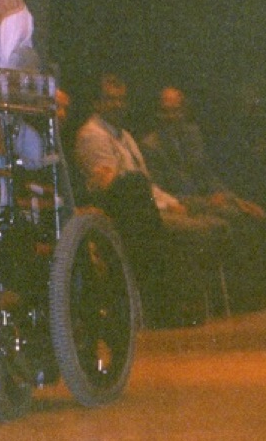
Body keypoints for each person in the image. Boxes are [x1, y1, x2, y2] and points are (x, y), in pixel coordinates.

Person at [74, 74, 226, 324]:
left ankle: (199, 303)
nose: (117, 105)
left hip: (149, 208)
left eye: (121, 99)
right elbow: (118, 189)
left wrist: (171, 203)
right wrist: (167, 206)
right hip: (127, 217)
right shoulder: (93, 135)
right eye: (110, 99)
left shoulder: (124, 135)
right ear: (96, 103)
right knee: (199, 229)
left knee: (210, 221)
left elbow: (146, 183)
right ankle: (177, 306)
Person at [141, 87, 266, 224]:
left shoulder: (192, 134)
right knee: (232, 218)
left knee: (253, 212)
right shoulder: (150, 145)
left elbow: (205, 174)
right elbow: (161, 192)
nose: (171, 117)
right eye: (165, 111)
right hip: (183, 205)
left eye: (176, 110)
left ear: (184, 111)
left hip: (207, 200)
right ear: (157, 113)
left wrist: (232, 198)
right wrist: (206, 202)